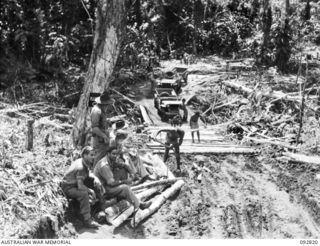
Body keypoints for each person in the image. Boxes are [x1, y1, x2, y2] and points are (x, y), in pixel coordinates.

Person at [93, 147, 151, 212]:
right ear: (108, 154)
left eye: (116, 154)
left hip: (107, 184)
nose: (115, 156)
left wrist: (131, 172)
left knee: (122, 170)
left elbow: (123, 165)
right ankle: (140, 205)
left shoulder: (111, 160)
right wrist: (125, 181)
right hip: (103, 189)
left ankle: (124, 195)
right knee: (125, 187)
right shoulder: (104, 165)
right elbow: (111, 183)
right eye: (113, 154)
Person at [61, 146, 102, 229]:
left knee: (93, 182)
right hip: (68, 188)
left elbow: (88, 173)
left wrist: (96, 178)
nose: (93, 157)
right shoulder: (81, 167)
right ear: (85, 155)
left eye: (94, 155)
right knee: (84, 194)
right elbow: (80, 186)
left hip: (73, 184)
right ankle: (87, 219)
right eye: (91, 155)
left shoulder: (81, 161)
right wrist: (91, 191)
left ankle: (97, 205)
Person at [91, 91, 115, 166]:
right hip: (99, 139)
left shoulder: (101, 110)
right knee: (99, 157)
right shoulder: (96, 111)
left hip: (103, 138)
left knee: (104, 157)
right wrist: (104, 136)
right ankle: (95, 174)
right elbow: (94, 128)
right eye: (107, 104)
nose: (108, 106)